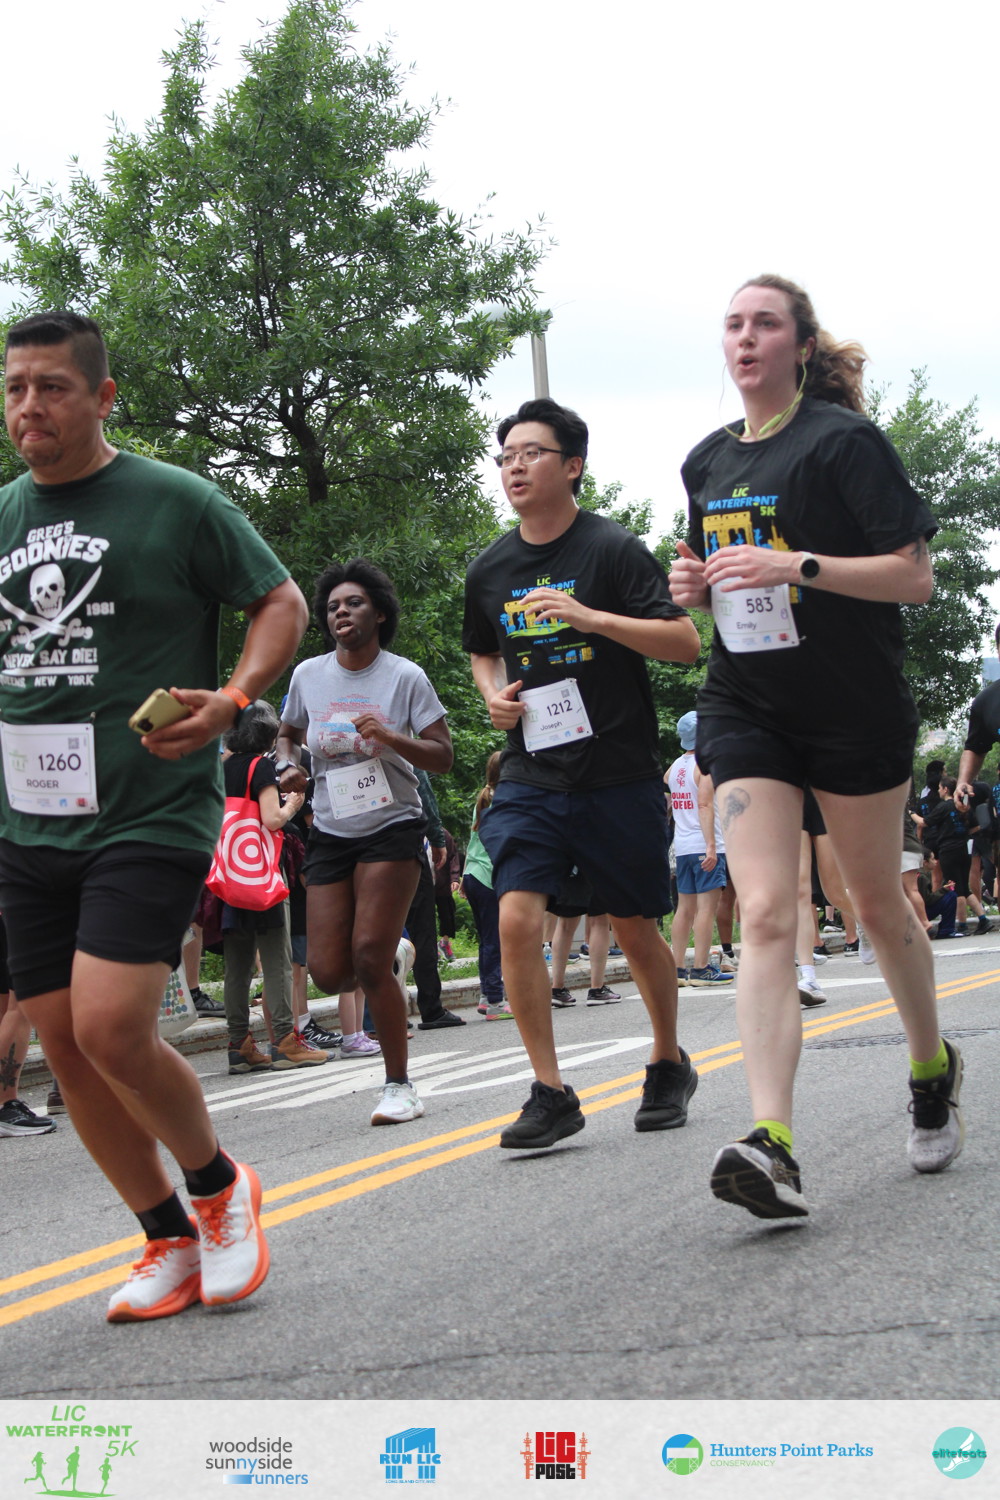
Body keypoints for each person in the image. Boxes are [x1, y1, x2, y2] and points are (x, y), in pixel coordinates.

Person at [0, 310, 308, 1319]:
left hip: (148, 806)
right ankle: (166, 1235)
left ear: (101, 397)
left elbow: (281, 602)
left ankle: (219, 1188)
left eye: (51, 386)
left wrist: (232, 699)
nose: (29, 406)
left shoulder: (175, 500)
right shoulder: (3, 517)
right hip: (28, 821)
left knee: (111, 1026)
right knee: (64, 1046)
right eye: (15, 388)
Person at [669, 274, 962, 1219]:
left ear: (800, 346)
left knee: (874, 904)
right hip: (747, 706)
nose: (745, 337)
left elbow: (913, 577)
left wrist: (793, 564)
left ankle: (931, 1066)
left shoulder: (842, 442)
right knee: (764, 912)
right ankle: (773, 1142)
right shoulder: (707, 461)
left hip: (853, 706)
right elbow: (721, 581)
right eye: (733, 324)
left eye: (766, 323)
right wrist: (695, 587)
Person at [463, 396, 702, 1149]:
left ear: (572, 466)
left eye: (531, 453)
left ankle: (667, 1060)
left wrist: (590, 618)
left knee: (634, 925)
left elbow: (684, 642)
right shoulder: (491, 568)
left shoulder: (613, 550)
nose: (515, 467)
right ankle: (550, 1090)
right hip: (532, 772)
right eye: (506, 457)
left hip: (617, 771)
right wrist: (493, 696)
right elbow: (482, 649)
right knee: (514, 916)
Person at [277, 559, 453, 1124]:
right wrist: (288, 767)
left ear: (378, 613)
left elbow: (443, 756)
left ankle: (400, 1086)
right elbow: (287, 734)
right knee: (329, 971)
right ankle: (388, 953)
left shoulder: (405, 677)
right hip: (331, 828)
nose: (341, 613)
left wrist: (392, 737)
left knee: (369, 959)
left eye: (353, 603)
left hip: (392, 823)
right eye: (332, 606)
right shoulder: (308, 675)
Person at [219, 701, 328, 1072]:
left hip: (230, 875)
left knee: (237, 966)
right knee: (278, 961)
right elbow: (272, 819)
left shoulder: (221, 768)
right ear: (267, 732)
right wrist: (293, 804)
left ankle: (238, 1046)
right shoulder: (260, 767)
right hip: (262, 875)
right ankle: (285, 1041)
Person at [665, 710, 734, 988]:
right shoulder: (705, 767)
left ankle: (677, 968)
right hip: (704, 844)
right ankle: (701, 968)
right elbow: (705, 804)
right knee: (706, 908)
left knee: (684, 908)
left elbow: (667, 780)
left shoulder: (676, 766)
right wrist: (711, 846)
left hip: (682, 846)